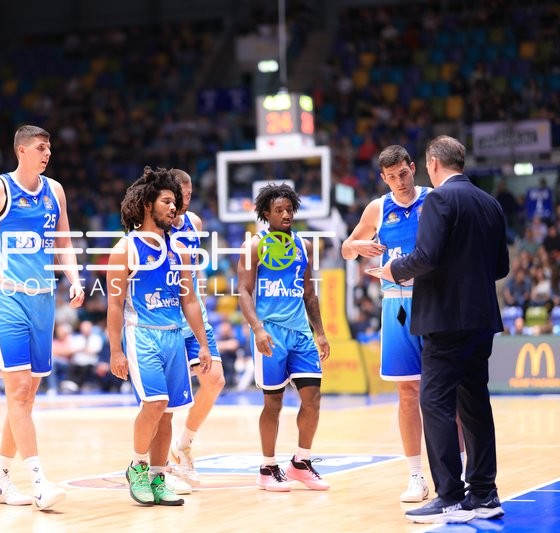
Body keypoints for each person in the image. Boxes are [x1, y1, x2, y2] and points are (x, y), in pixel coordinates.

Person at [381, 136, 509, 524]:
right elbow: (500, 267)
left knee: (435, 402)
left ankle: (450, 496)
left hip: (445, 319)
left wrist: (392, 270)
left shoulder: (439, 199)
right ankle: (485, 494)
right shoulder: (490, 202)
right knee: (474, 404)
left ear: (433, 163)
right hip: (481, 319)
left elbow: (427, 257)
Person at [0, 125, 84, 511]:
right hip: (6, 297)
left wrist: (75, 279)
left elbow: (63, 241)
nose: (48, 154)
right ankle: (40, 481)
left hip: (43, 300)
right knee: (18, 391)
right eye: (42, 148)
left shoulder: (55, 191)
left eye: (50, 148)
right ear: (22, 151)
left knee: (27, 396)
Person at [342, 145, 467, 503]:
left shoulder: (437, 199)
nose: (399, 182)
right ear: (383, 178)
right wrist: (359, 246)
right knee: (408, 393)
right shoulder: (378, 208)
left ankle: (458, 473)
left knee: (448, 393)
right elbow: (347, 249)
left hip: (436, 303)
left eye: (404, 173)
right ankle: (416, 476)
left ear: (414, 168)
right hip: (396, 306)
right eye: (391, 177)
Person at [107, 166, 212, 506]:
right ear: (148, 204)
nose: (173, 207)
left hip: (173, 336)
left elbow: (190, 301)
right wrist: (115, 351)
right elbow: (114, 305)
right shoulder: (126, 249)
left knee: (168, 412)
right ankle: (136, 467)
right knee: (154, 404)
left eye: (176, 201)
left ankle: (157, 476)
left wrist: (204, 345)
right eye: (167, 201)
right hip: (142, 336)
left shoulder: (178, 250)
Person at [237, 183, 331, 492]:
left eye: (289, 209)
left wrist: (320, 333)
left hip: (301, 333)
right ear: (266, 214)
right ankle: (267, 468)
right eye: (279, 210)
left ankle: (301, 462)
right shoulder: (254, 245)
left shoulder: (303, 246)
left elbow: (309, 294)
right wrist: (257, 328)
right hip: (271, 334)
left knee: (313, 399)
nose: (286, 214)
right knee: (273, 403)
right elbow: (245, 292)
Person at [166, 168, 226, 486]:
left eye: (190, 195)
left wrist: (198, 301)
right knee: (166, 394)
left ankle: (184, 445)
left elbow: (194, 272)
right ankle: (157, 464)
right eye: (181, 195)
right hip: (162, 317)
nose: (186, 201)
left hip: (192, 313)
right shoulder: (150, 224)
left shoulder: (195, 224)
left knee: (214, 379)